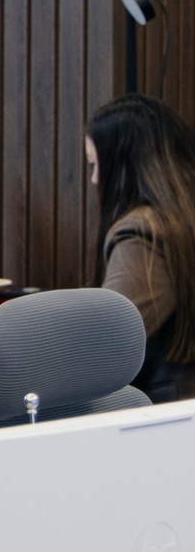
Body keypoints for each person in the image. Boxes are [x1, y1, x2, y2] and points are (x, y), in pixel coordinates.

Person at [86, 94, 195, 401]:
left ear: (123, 166)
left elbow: (108, 340)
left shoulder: (142, 232)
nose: (94, 179)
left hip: (163, 412)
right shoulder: (181, 218)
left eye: (96, 165)